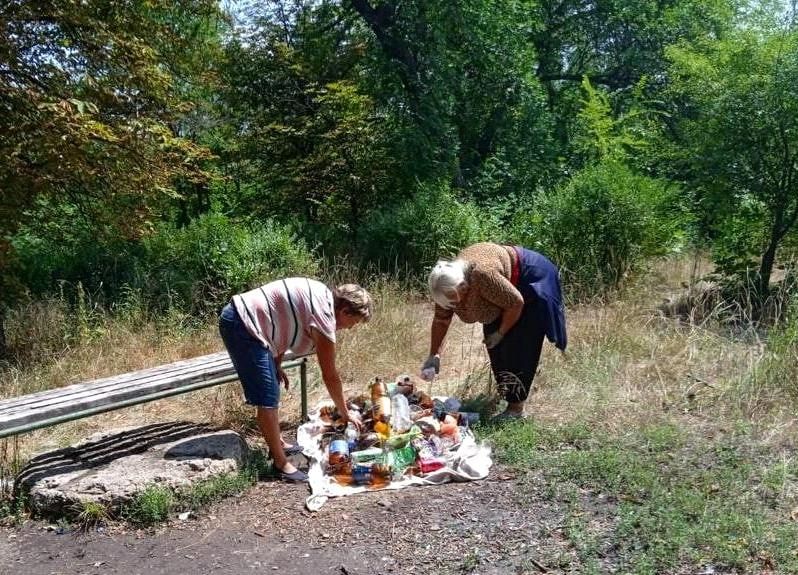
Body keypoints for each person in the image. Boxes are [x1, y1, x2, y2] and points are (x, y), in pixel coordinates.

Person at [219, 279, 371, 482]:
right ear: (345, 311)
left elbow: (283, 323)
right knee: (267, 396)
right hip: (243, 323)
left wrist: (277, 363)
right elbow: (330, 376)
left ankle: (278, 443)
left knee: (271, 385)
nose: (351, 328)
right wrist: (345, 412)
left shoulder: (322, 297)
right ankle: (280, 463)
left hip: (247, 319)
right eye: (354, 322)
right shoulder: (324, 317)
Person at [421, 242, 566, 420]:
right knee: (495, 347)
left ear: (463, 286)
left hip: (530, 280)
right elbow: (441, 319)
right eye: (449, 302)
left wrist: (501, 333)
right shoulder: (445, 284)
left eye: (455, 301)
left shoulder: (483, 275)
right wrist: (434, 355)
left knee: (518, 344)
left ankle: (516, 409)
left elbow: (515, 303)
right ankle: (507, 392)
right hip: (504, 291)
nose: (454, 306)